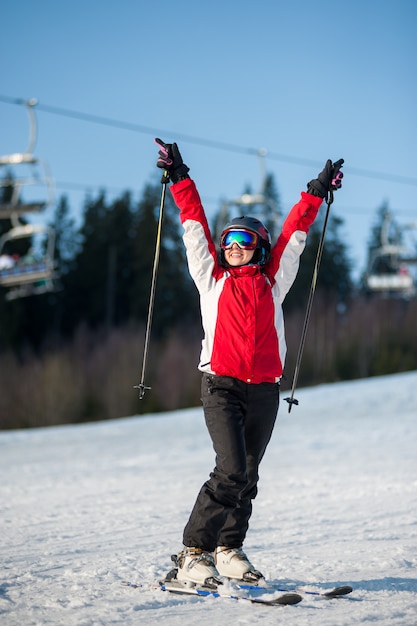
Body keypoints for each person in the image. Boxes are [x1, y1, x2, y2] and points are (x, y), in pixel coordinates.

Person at [155, 138, 343, 586]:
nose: (234, 246)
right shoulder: (212, 278)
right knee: (231, 470)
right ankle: (192, 552)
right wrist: (180, 177)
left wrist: (315, 190)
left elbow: (295, 236)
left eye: (243, 240)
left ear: (258, 245)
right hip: (220, 385)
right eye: (229, 241)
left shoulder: (274, 279)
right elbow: (194, 225)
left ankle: (229, 549)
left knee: (249, 475)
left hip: (264, 388)